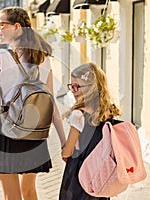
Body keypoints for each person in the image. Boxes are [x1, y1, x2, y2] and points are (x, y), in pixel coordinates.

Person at [0, 6, 66, 200]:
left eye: (1, 24)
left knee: (12, 195)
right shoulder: (42, 58)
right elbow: (51, 104)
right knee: (29, 191)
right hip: (35, 129)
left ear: (17, 27)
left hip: (5, 127)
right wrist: (63, 141)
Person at [59, 62, 121, 200]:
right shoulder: (107, 113)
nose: (73, 91)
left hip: (79, 174)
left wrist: (64, 150)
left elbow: (67, 152)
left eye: (77, 87)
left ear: (91, 88)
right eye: (71, 86)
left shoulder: (78, 115)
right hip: (100, 174)